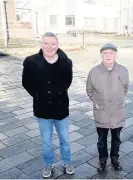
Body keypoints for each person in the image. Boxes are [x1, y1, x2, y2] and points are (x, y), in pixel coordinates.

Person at [22, 32, 75, 178]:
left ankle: (67, 161)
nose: (49, 47)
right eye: (46, 43)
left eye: (53, 44)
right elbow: (26, 83)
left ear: (57, 45)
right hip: (42, 108)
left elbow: (67, 82)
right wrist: (39, 95)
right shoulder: (31, 62)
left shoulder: (66, 62)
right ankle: (48, 163)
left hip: (61, 108)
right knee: (46, 141)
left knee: (64, 139)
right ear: (41, 45)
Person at [86, 43, 129, 172]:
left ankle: (115, 159)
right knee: (101, 139)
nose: (108, 55)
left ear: (116, 55)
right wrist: (98, 102)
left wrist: (119, 100)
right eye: (105, 53)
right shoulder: (94, 72)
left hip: (117, 112)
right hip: (101, 112)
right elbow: (89, 90)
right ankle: (102, 160)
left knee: (116, 138)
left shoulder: (123, 70)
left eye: (111, 53)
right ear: (101, 55)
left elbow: (125, 88)